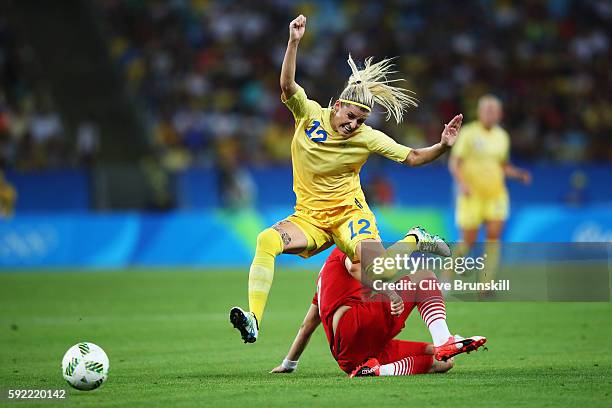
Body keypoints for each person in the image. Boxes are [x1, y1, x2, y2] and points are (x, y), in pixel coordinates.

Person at [230, 14, 464, 343]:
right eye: (351, 116)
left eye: (361, 120)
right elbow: (286, 86)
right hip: (310, 217)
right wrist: (294, 42)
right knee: (266, 240)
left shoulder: (367, 137)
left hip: (348, 215)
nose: (354, 125)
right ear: (338, 106)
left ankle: (416, 238)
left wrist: (442, 146)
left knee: (377, 271)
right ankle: (254, 318)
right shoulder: (308, 113)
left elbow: (411, 157)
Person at [270, 247, 486, 377]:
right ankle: (443, 339)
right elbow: (355, 268)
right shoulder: (346, 246)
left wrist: (289, 364)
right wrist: (390, 293)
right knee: (425, 278)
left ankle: (376, 370)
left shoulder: (322, 282)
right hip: (356, 325)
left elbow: (306, 326)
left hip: (349, 358)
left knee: (443, 362)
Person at [448, 95, 530, 290]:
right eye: (486, 110)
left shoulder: (502, 137)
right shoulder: (468, 133)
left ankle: (487, 284)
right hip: (472, 195)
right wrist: (462, 183)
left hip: (496, 194)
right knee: (469, 239)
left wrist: (518, 174)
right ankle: (447, 276)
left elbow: (502, 165)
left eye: (493, 111)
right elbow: (455, 163)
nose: (490, 114)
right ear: (479, 112)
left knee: (494, 235)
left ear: (499, 114)